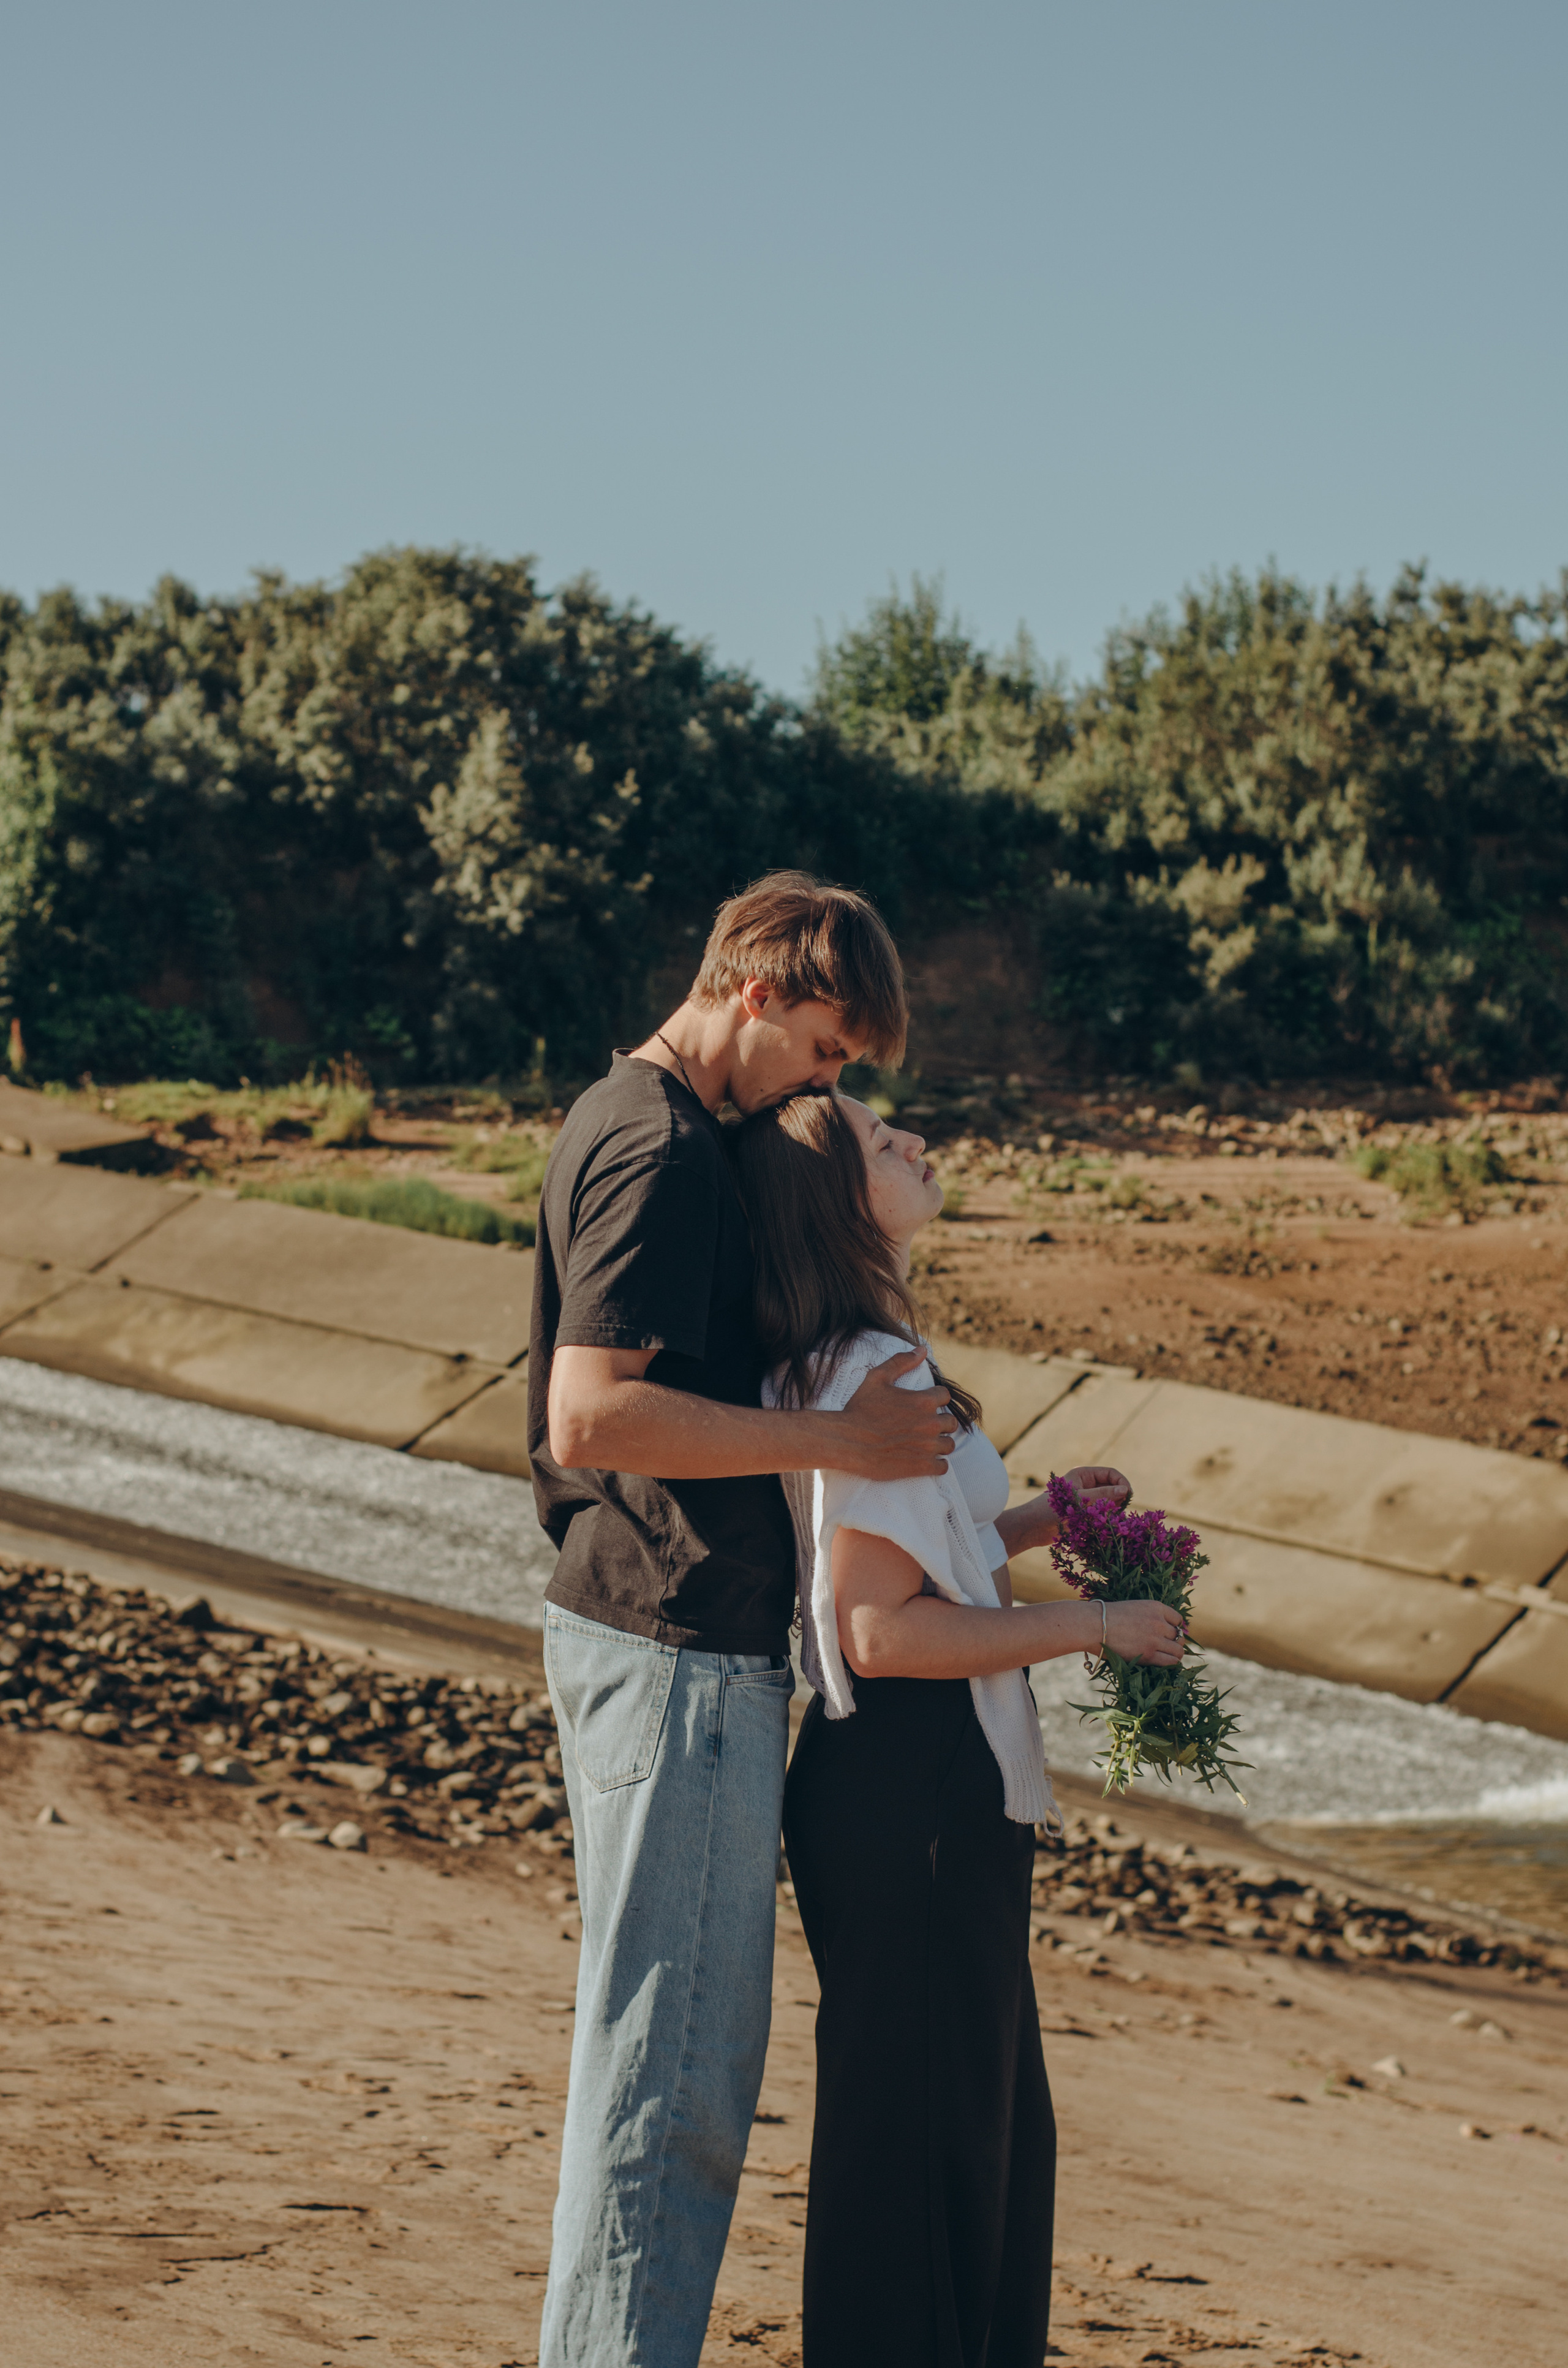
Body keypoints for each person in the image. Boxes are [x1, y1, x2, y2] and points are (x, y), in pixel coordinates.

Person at [528, 872, 960, 2368]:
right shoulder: (657, 1145)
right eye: (833, 1054)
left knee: (660, 2066)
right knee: (675, 2088)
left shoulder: (638, 1119)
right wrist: (844, 1447)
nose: (834, 1090)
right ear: (760, 993)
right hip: (673, 1655)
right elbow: (588, 1416)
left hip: (641, 1642)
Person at [730, 1089, 1185, 2368]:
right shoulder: (871, 1371)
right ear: (833, 1202)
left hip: (905, 1786)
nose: (913, 1143)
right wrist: (1094, 1627)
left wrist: (1033, 1523)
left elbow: (916, 1566)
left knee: (959, 2123)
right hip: (914, 1783)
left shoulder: (853, 1358)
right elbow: (879, 1631)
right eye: (880, 1143)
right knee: (931, 2136)